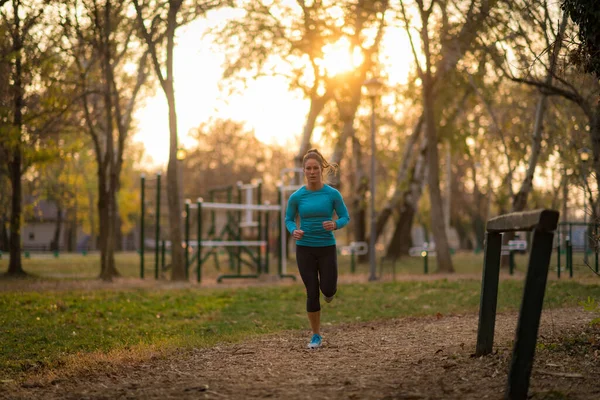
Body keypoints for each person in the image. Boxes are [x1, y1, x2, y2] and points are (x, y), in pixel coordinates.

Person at [285, 148, 350, 349]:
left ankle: (329, 291)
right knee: (311, 291)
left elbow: (345, 217)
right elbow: (288, 218)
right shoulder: (297, 197)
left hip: (326, 247)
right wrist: (293, 230)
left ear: (321, 169)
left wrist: (335, 225)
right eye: (308, 168)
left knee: (327, 289)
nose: (312, 172)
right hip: (304, 248)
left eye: (315, 168)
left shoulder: (332, 194)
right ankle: (315, 335)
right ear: (303, 171)